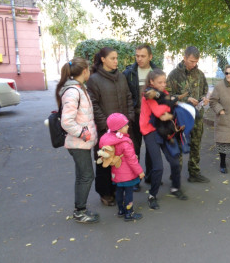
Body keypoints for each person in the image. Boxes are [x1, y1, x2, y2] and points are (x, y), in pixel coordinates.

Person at [86, 47, 135, 206]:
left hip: (122, 129)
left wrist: (128, 120)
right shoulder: (94, 79)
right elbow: (93, 104)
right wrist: (106, 126)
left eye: (116, 58)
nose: (116, 61)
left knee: (120, 159)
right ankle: (105, 192)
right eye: (112, 58)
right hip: (105, 131)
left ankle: (117, 188)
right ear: (103, 60)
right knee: (105, 160)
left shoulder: (120, 77)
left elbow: (128, 97)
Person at [56, 57, 99, 223]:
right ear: (84, 71)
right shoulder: (74, 91)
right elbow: (66, 121)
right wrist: (83, 133)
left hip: (81, 142)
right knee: (87, 176)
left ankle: (80, 209)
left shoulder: (80, 89)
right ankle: (80, 211)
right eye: (88, 69)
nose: (89, 72)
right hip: (78, 143)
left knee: (82, 176)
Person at [140, 69, 188, 210]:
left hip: (164, 130)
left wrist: (170, 109)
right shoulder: (148, 95)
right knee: (158, 167)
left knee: (174, 159)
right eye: (159, 82)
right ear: (152, 82)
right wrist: (169, 107)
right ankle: (152, 195)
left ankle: (175, 188)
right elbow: (159, 112)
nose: (163, 85)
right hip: (150, 131)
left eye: (164, 81)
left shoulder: (164, 93)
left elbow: (171, 107)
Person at [167, 46, 210, 183]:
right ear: (184, 57)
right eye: (191, 61)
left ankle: (194, 172)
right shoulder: (174, 75)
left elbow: (205, 90)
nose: (194, 64)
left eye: (196, 61)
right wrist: (186, 99)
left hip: (197, 115)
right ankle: (176, 175)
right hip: (180, 117)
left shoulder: (199, 74)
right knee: (179, 146)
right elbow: (168, 96)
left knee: (196, 144)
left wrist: (204, 98)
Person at [99, 113, 145, 221]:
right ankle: (129, 213)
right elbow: (132, 160)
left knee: (119, 192)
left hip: (116, 173)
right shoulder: (124, 143)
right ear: (118, 129)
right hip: (127, 174)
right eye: (125, 125)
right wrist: (140, 172)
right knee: (128, 194)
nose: (128, 126)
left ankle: (121, 210)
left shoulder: (109, 139)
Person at [123, 44, 157, 189]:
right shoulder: (129, 73)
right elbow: (125, 95)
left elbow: (163, 91)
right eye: (137, 56)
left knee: (151, 148)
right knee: (133, 148)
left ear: (150, 57)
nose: (139, 59)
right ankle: (135, 179)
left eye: (143, 56)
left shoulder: (156, 72)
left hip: (151, 118)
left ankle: (150, 176)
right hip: (135, 117)